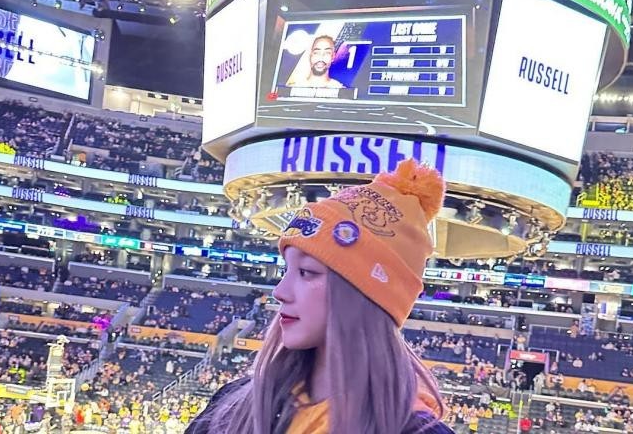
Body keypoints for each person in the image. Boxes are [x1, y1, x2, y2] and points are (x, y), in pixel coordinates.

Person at [186, 159, 453, 434]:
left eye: (306, 272)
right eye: (287, 270)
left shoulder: (417, 430)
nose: (280, 292)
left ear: (365, 296)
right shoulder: (230, 406)